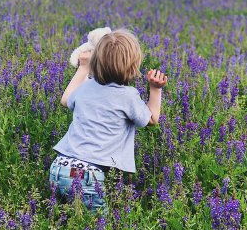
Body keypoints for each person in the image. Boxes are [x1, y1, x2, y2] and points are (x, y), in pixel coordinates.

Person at [49, 29, 167, 213]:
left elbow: (65, 100)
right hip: (86, 175)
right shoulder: (128, 96)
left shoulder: (86, 86)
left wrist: (83, 67)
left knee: (64, 219)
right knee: (97, 229)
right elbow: (151, 119)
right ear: (132, 67)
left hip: (59, 166)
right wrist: (155, 89)